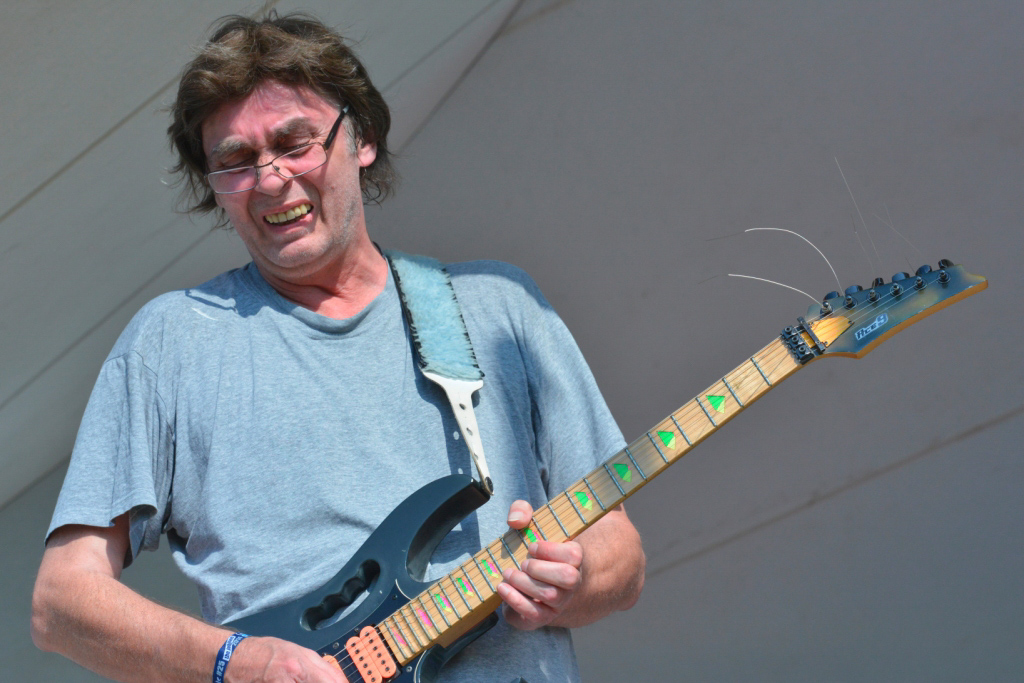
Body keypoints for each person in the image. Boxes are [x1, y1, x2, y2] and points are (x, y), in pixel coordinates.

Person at [31, 13, 644, 683]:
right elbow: (61, 601)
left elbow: (619, 550)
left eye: (294, 143)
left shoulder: (500, 308)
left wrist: (574, 580)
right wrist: (237, 661)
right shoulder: (171, 343)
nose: (270, 180)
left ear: (363, 138)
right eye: (235, 161)